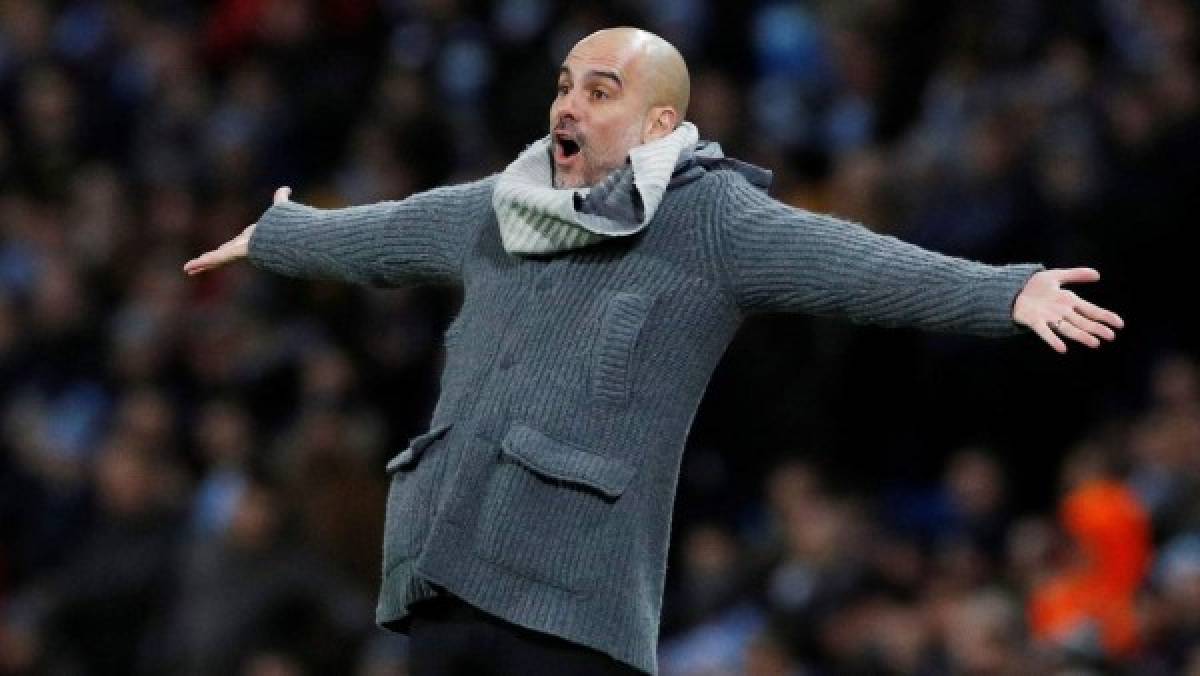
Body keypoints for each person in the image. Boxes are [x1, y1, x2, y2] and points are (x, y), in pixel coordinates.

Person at [184, 26, 1123, 676]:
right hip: (443, 577)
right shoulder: (499, 206)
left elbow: (855, 263)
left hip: (570, 609)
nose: (570, 103)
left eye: (602, 90)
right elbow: (382, 238)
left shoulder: (709, 217)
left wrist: (1003, 289)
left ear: (660, 126)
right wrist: (279, 237)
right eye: (564, 84)